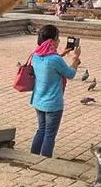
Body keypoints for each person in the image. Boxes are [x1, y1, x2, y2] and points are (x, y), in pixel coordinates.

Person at [30, 25, 81, 157]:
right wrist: (76, 58)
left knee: (41, 130)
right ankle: (45, 162)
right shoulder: (55, 59)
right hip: (53, 103)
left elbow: (48, 62)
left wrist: (62, 54)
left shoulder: (35, 55)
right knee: (50, 135)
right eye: (57, 39)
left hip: (38, 100)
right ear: (51, 41)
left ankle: (32, 157)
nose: (59, 42)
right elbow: (70, 73)